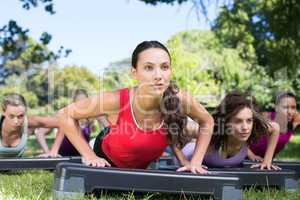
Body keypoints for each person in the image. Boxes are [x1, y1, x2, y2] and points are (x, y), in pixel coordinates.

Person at [58, 40, 214, 173]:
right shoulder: (116, 99)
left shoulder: (178, 98)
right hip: (105, 154)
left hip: (141, 165)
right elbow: (65, 114)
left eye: (165, 67)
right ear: (135, 73)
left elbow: (207, 121)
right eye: (149, 68)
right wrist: (89, 156)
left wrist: (194, 162)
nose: (158, 75)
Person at [173, 91, 280, 170]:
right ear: (226, 122)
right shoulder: (211, 131)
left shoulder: (250, 130)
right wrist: (183, 160)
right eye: (238, 121)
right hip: (188, 154)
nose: (245, 127)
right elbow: (172, 130)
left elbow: (275, 128)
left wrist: (267, 161)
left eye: (249, 120)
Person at [38, 89, 108, 157]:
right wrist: (48, 152)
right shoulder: (65, 115)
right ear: (73, 103)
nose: (82, 105)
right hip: (62, 158)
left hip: (81, 158)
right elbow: (40, 132)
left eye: (84, 101)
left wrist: (99, 115)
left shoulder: (89, 118)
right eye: (78, 101)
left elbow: (109, 129)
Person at [0, 93, 58, 158]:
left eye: (20, 116)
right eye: (11, 116)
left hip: (14, 167)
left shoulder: (30, 122)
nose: (16, 121)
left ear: (25, 112)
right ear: (3, 112)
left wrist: (54, 150)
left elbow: (63, 123)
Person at [248, 92, 300, 161]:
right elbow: (238, 136)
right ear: (276, 108)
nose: (290, 112)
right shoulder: (266, 118)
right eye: (285, 107)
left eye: (293, 107)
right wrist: (251, 155)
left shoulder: (295, 120)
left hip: (266, 161)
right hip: (246, 159)